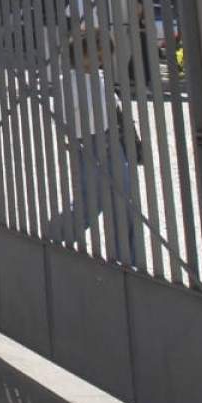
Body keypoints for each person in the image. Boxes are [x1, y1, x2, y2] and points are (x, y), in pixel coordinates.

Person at [53, 31, 141, 266]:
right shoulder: (68, 82)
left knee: (123, 200)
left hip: (111, 141)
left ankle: (128, 260)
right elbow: (65, 118)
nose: (98, 61)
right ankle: (54, 236)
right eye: (94, 55)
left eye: (102, 56)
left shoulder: (98, 78)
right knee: (90, 203)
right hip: (87, 144)